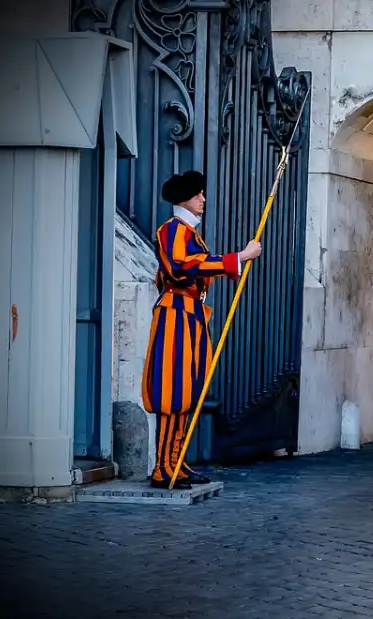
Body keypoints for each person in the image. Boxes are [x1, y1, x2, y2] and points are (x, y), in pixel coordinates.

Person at [141, 170, 261, 489]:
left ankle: (176, 462)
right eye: (198, 195)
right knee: (173, 392)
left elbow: (198, 264)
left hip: (192, 314)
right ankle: (163, 467)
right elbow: (182, 267)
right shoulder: (172, 231)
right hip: (176, 313)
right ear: (185, 199)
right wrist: (237, 258)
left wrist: (228, 266)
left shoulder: (188, 232)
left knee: (188, 390)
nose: (203, 199)